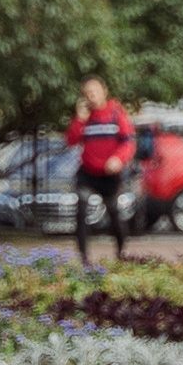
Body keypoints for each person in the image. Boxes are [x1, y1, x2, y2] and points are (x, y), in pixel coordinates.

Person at [65, 76, 137, 261]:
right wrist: (79, 119)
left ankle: (121, 253)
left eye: (94, 91)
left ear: (104, 90)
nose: (92, 96)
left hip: (109, 174)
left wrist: (118, 159)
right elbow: (72, 140)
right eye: (87, 93)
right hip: (87, 172)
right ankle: (83, 258)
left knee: (114, 214)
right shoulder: (85, 118)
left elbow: (128, 142)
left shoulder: (116, 113)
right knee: (81, 208)